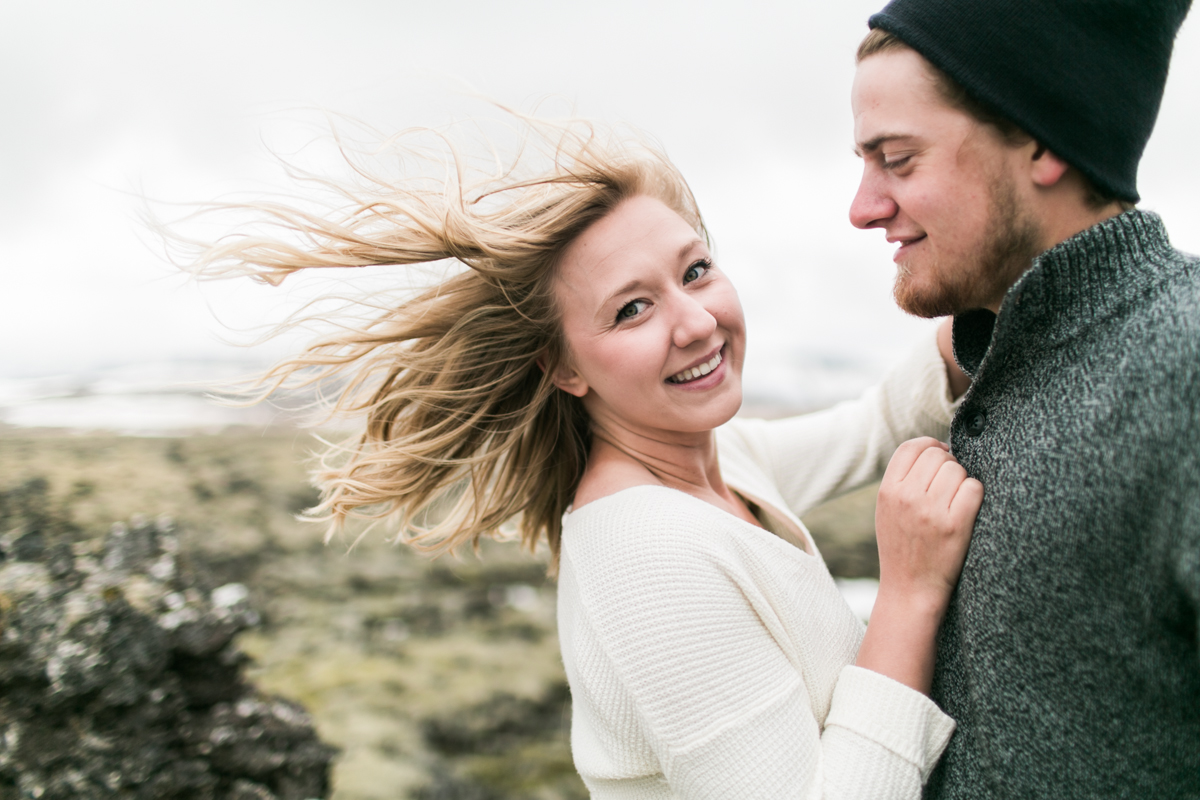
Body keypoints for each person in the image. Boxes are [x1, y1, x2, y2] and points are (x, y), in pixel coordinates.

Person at [183, 115, 980, 797]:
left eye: (695, 271)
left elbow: (873, 424)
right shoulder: (647, 557)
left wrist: (992, 308)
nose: (696, 322)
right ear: (563, 367)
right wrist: (908, 597)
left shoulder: (717, 461)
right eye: (632, 309)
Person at [849, 1, 1200, 797]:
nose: (862, 206)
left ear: (1043, 142)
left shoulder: (1186, 366)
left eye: (897, 159)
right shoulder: (999, 362)